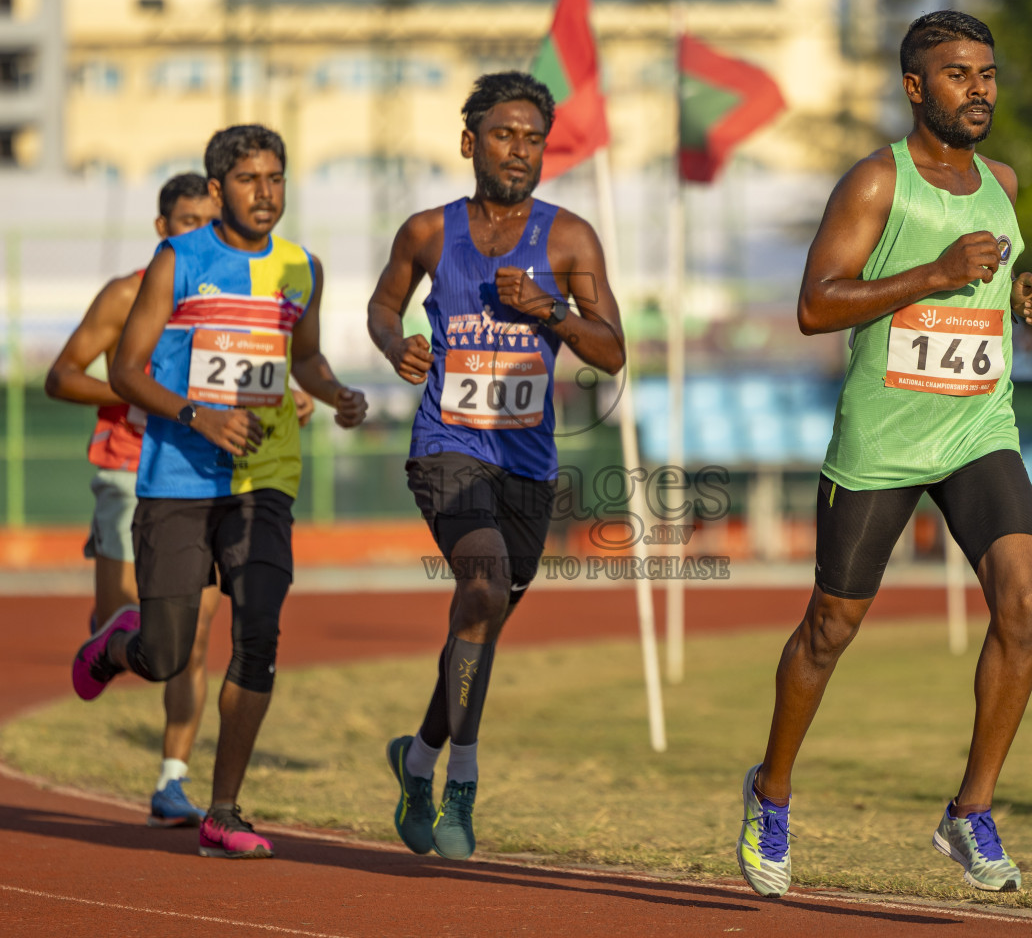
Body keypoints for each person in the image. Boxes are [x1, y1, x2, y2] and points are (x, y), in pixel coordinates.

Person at [735, 10, 1032, 897]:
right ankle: (771, 792)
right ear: (916, 87)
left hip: (977, 429)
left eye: (988, 73)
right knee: (830, 629)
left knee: (1025, 602)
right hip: (883, 441)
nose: (979, 89)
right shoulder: (877, 183)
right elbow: (816, 305)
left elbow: (987, 299)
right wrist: (932, 275)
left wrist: (1028, 299)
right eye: (959, 75)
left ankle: (971, 812)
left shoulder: (1004, 181)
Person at [69, 125, 367, 859]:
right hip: (177, 477)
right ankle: (118, 645)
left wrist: (335, 394)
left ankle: (224, 810)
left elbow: (308, 358)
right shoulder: (177, 262)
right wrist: (199, 415)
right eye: (248, 180)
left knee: (257, 631)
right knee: (169, 655)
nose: (265, 194)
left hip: (265, 480)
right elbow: (130, 371)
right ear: (216, 190)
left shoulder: (304, 269)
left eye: (276, 178)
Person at [367, 71, 625, 860]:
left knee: (481, 619)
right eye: (505, 135)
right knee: (479, 587)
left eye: (533, 138)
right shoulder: (426, 232)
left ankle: (416, 759)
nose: (520, 150)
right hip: (447, 446)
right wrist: (396, 344)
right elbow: (383, 305)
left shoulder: (571, 238)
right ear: (469, 141)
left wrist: (551, 308)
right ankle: (463, 786)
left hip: (528, 468)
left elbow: (612, 351)